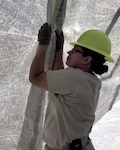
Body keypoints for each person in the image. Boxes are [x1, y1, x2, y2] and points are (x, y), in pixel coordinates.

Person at [29, 23, 114, 150]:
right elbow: (61, 79)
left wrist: (43, 45)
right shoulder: (91, 81)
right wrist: (59, 49)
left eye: (75, 50)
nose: (69, 52)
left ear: (87, 60)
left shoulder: (75, 78)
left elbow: (35, 77)